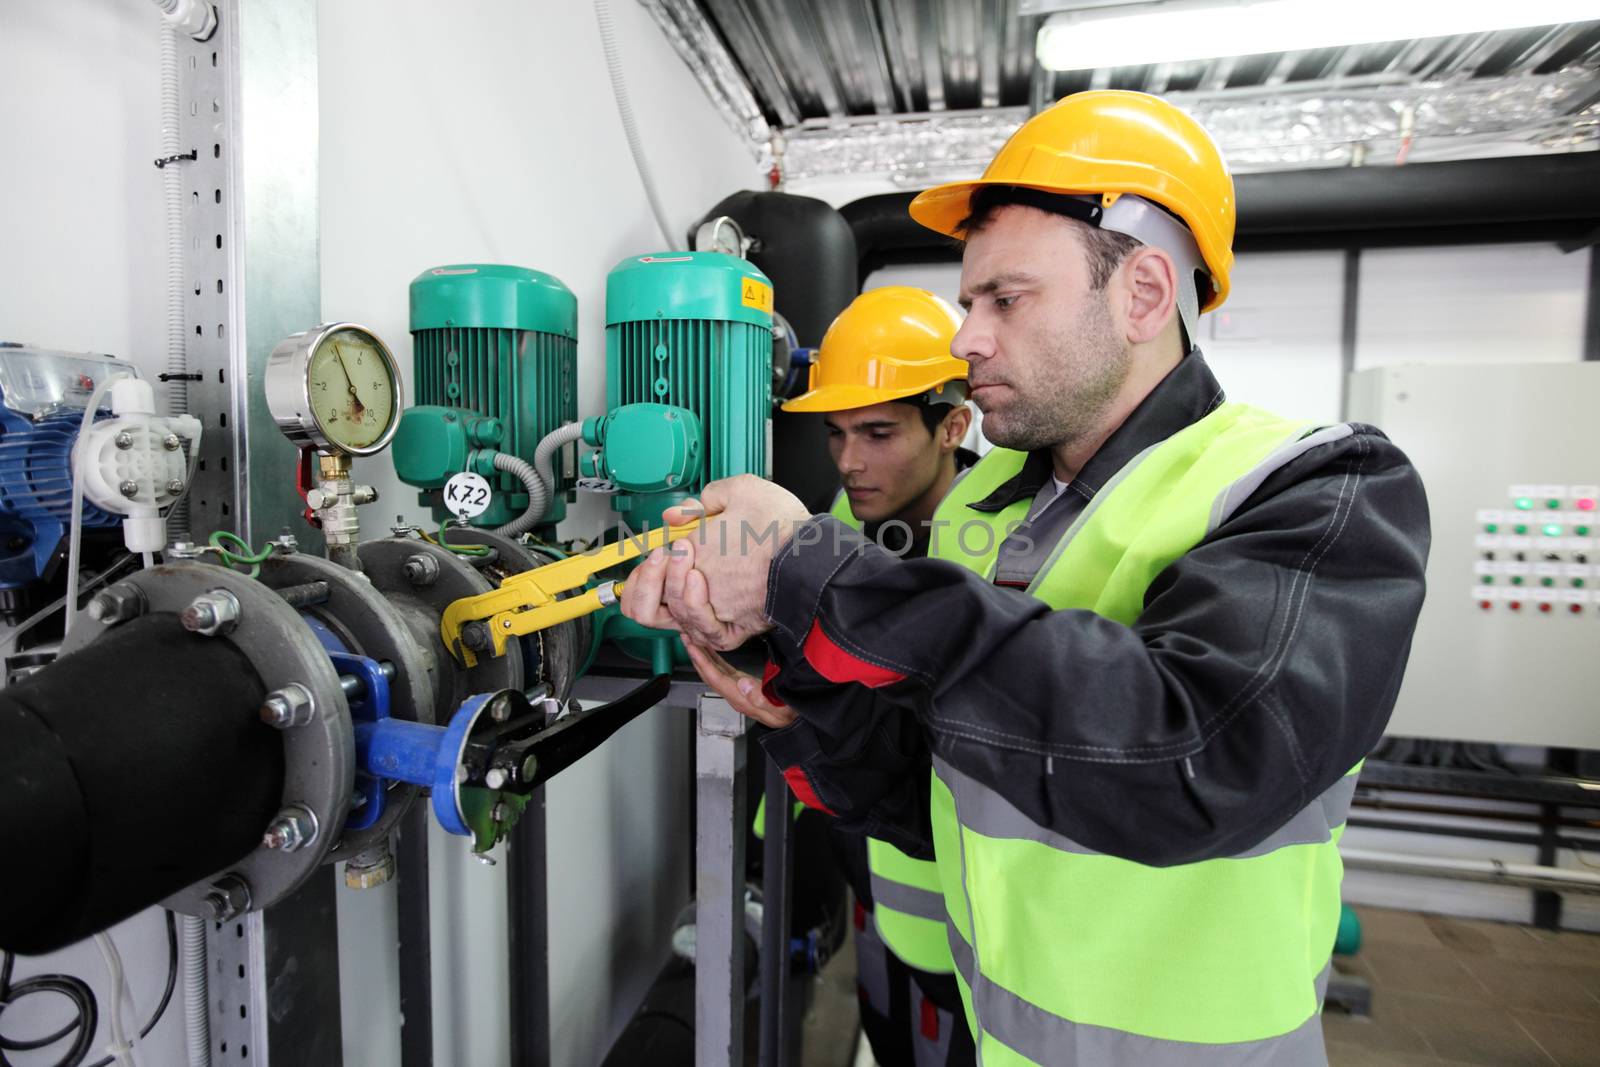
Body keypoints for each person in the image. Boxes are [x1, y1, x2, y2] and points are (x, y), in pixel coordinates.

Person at [629, 90, 1430, 1065]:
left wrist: (809, 570)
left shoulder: (1318, 484)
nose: (966, 339)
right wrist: (790, 680)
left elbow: (1196, 759)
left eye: (1003, 299)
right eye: (969, 302)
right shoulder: (983, 507)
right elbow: (932, 793)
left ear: (1140, 293)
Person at [771, 286, 978, 1066]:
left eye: (880, 431)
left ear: (953, 424)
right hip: (879, 893)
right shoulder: (848, 520)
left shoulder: (1006, 549)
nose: (851, 460)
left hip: (978, 931)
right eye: (837, 433)